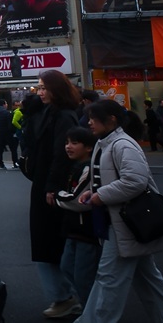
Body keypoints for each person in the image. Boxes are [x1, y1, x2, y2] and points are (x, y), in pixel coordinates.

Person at [73, 99, 163, 323]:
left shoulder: (122, 145)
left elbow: (135, 181)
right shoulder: (104, 143)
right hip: (121, 222)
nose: (89, 122)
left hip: (124, 223)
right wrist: (93, 191)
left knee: (108, 279)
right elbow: (105, 177)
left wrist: (100, 195)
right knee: (149, 280)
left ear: (112, 119)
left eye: (93, 118)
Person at [30, 70, 83, 320]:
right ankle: (67, 294)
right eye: (38, 88)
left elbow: (62, 154)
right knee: (51, 242)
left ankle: (66, 296)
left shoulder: (62, 116)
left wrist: (51, 186)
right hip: (46, 184)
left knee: (50, 242)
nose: (39, 92)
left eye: (43, 88)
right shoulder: (51, 113)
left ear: (55, 89)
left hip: (52, 187)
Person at [57, 127, 101, 308]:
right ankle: (88, 308)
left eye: (74, 143)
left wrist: (57, 194)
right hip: (73, 228)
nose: (68, 147)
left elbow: (78, 201)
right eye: (67, 143)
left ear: (89, 147)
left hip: (86, 229)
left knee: (83, 275)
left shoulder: (89, 168)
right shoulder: (74, 166)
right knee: (67, 267)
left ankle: (93, 313)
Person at [0, 99, 19, 169]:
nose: (7, 105)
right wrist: (13, 132)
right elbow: (10, 124)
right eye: (6, 103)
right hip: (8, 133)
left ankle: (1, 163)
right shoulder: (7, 113)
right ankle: (15, 162)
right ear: (4, 104)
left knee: (0, 148)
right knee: (13, 149)